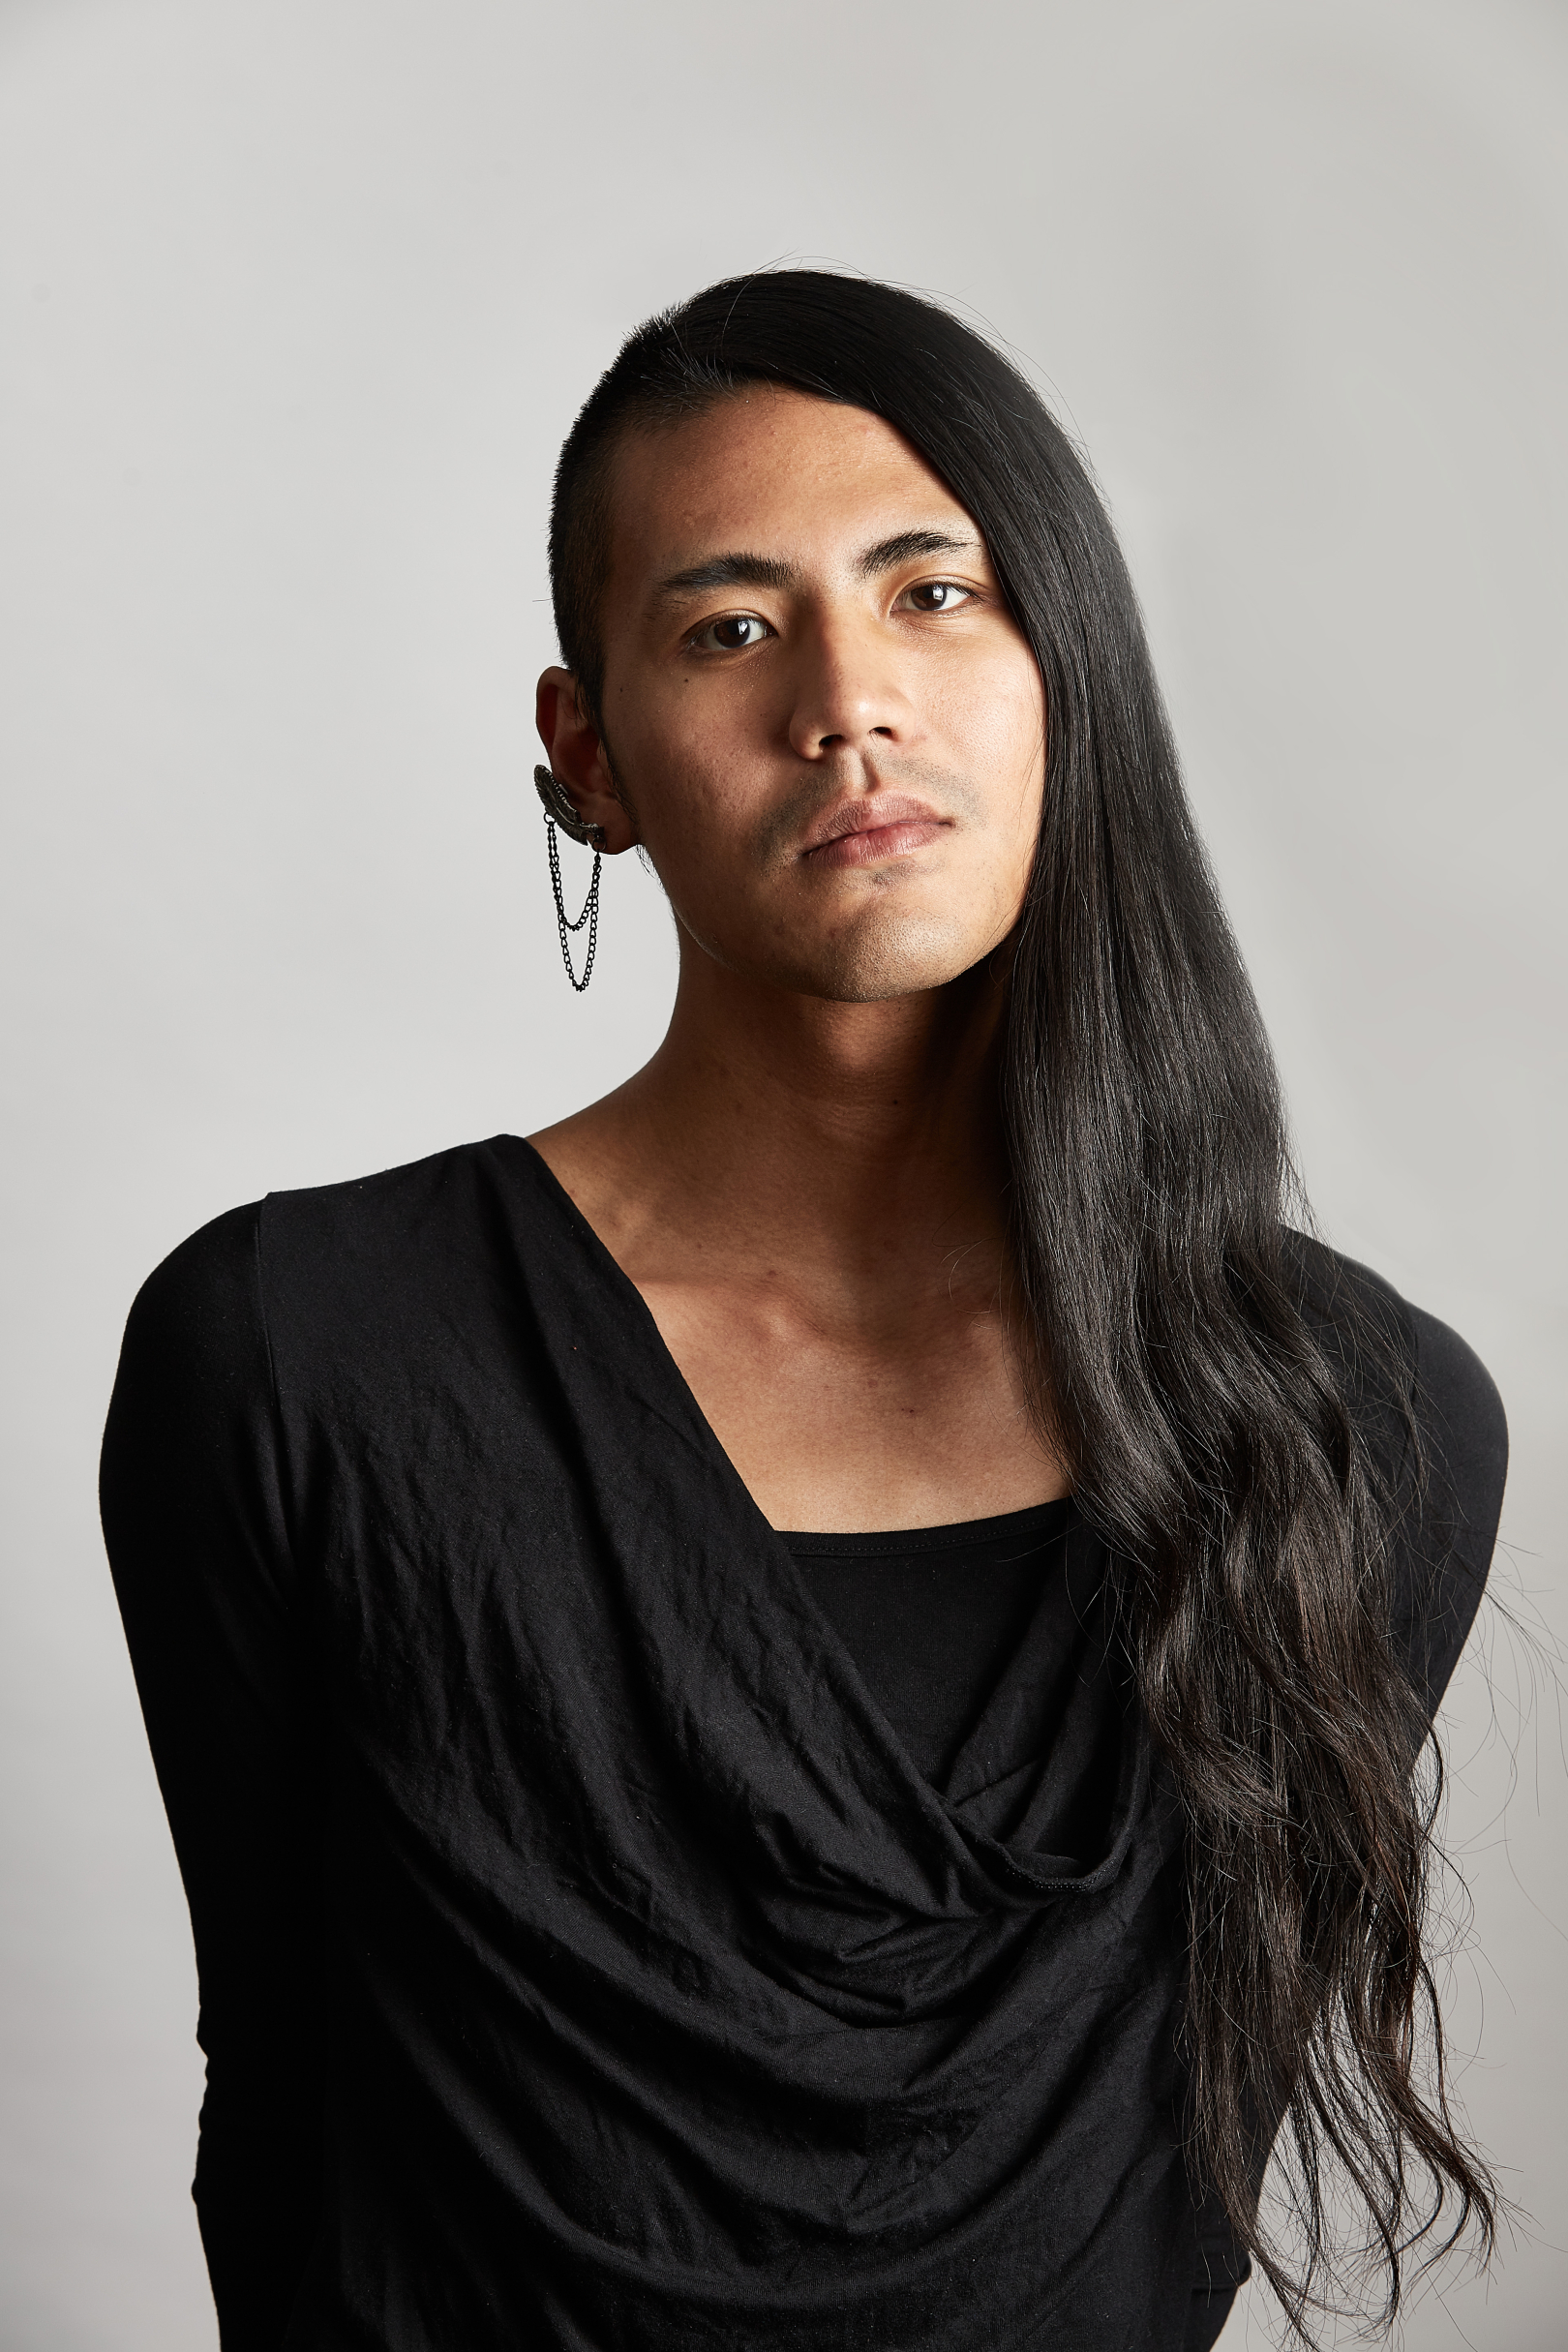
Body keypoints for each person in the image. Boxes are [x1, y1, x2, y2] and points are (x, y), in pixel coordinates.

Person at [101, 272, 1506, 2352]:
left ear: (1068, 669)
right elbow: (293, 2116)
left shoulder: (1352, 1421)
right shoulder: (295, 1357)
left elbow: (1161, 2210)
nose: (849, 701)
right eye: (730, 629)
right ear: (588, 754)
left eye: (934, 594)